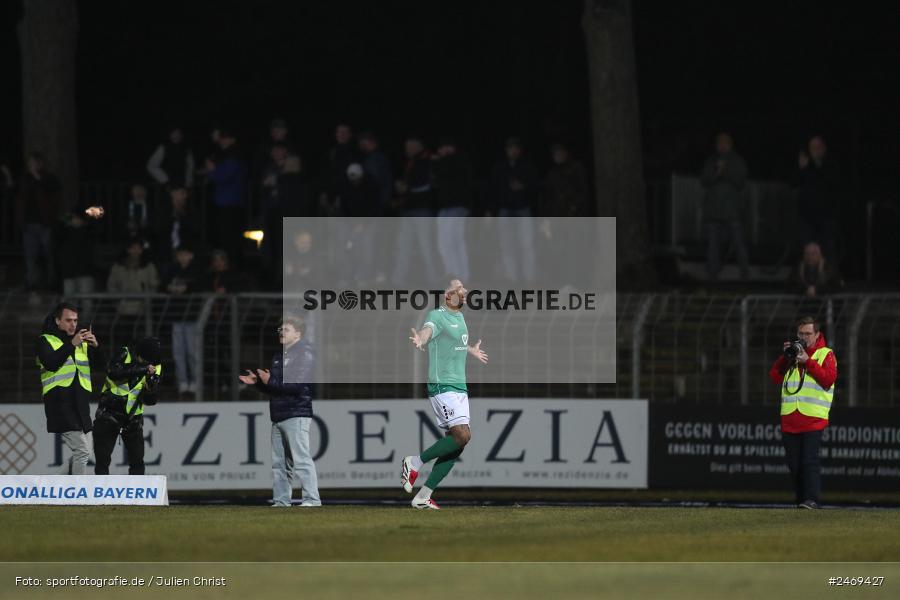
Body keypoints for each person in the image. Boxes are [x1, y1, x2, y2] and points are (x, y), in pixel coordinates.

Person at [402, 278, 488, 509]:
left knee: (459, 442)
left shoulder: (459, 317)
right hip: (443, 385)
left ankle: (423, 496)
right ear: (447, 296)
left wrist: (470, 350)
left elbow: (452, 343)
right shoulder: (437, 315)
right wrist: (421, 338)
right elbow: (428, 331)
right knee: (461, 436)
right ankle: (414, 462)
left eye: (464, 287)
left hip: (459, 386)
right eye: (458, 288)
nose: (465, 290)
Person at [239, 316, 321, 507]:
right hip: (278, 414)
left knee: (301, 460)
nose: (281, 332)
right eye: (280, 330)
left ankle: (312, 500)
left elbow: (296, 387)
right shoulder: (279, 356)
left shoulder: (305, 354)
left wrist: (269, 381)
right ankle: (281, 501)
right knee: (280, 464)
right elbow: (276, 388)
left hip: (296, 413)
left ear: (298, 334)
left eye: (287, 329)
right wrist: (258, 383)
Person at [768, 316, 837, 509]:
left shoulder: (826, 354)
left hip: (813, 417)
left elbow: (828, 379)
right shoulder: (793, 355)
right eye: (801, 333)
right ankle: (801, 501)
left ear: (817, 335)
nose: (804, 337)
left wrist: (808, 362)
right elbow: (774, 376)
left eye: (808, 333)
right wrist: (785, 357)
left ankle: (812, 499)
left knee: (809, 460)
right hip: (790, 418)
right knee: (794, 465)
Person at [36, 302, 100, 475]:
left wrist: (96, 347)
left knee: (86, 451)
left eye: (75, 320)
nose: (73, 324)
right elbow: (51, 363)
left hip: (80, 405)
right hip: (59, 404)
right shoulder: (45, 340)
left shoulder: (81, 343)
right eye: (68, 320)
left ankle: (53, 486)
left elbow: (102, 368)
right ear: (58, 321)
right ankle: (77, 496)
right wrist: (72, 344)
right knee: (82, 451)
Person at [93, 337, 162, 475]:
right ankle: (101, 495)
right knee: (102, 461)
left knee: (137, 462)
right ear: (139, 354)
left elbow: (149, 401)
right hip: (108, 414)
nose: (149, 364)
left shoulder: (156, 366)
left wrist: (151, 388)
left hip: (133, 418)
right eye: (146, 360)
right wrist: (143, 369)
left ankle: (137, 496)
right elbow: (113, 372)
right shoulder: (125, 353)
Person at [700, 132, 749, 280]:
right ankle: (712, 275)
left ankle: (745, 273)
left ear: (730, 144)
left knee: (739, 243)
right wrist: (717, 173)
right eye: (719, 143)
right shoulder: (710, 161)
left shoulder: (738, 161)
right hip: (713, 211)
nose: (722, 145)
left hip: (732, 211)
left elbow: (741, 181)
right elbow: (704, 180)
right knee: (713, 245)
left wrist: (725, 171)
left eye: (725, 142)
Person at [489, 138, 538, 283]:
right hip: (505, 210)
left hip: (523, 209)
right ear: (506, 150)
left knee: (527, 244)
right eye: (510, 147)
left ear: (520, 150)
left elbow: (534, 188)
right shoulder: (500, 167)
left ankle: (530, 279)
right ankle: (512, 279)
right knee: (507, 245)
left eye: (516, 147)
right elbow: (494, 189)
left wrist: (523, 188)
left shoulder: (528, 167)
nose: (513, 150)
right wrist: (492, 211)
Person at [16, 152, 61, 291]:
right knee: (30, 256)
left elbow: (53, 191)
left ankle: (51, 283)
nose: (31, 165)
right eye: (29, 163)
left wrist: (37, 177)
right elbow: (18, 196)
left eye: (33, 162)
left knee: (49, 255)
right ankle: (31, 283)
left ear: (39, 163)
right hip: (28, 224)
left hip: (44, 223)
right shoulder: (25, 179)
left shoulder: (48, 178)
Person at [795, 135, 841, 263]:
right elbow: (794, 183)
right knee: (807, 249)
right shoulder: (806, 165)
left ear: (824, 148)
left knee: (828, 250)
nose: (815, 150)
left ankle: (831, 279)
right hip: (807, 216)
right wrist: (802, 169)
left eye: (817, 147)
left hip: (826, 216)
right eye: (812, 147)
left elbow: (830, 184)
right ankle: (807, 279)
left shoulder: (832, 165)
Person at [432, 138, 473, 282]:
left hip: (455, 206)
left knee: (448, 241)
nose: (439, 151)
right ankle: (459, 275)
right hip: (450, 206)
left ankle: (455, 275)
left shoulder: (454, 161)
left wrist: (439, 162)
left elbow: (448, 176)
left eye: (442, 148)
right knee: (452, 242)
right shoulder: (455, 161)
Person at [165, 244, 203, 395]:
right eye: (180, 254)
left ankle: (195, 381)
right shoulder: (172, 270)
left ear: (191, 255)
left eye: (185, 254)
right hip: (176, 316)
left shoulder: (196, 271)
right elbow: (163, 284)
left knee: (192, 352)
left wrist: (186, 289)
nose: (182, 257)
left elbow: (199, 286)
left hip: (192, 317)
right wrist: (171, 289)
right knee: (178, 352)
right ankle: (182, 382)